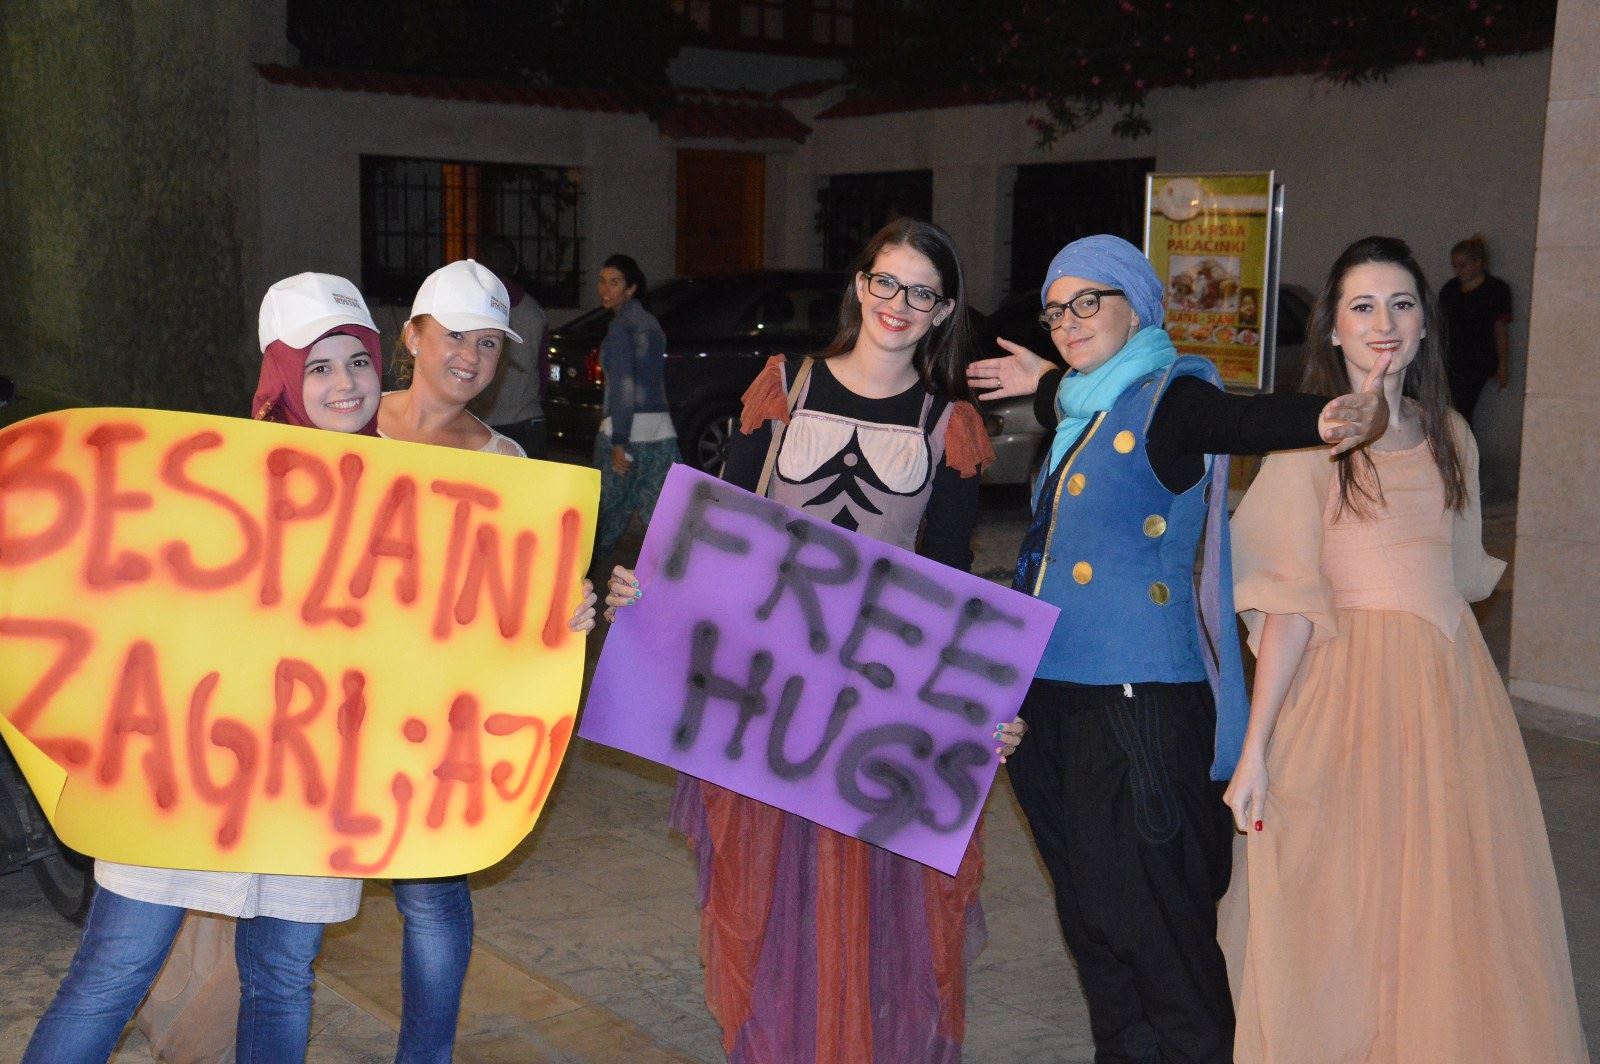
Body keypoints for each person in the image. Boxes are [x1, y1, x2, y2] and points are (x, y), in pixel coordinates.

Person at [964, 234, 1390, 1064]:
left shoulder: (1173, 396)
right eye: (1056, 310)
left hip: (1136, 705)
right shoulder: (1085, 403)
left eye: (1089, 301)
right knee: (1092, 921)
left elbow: (1239, 420)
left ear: (1139, 308)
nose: (1068, 321)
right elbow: (1085, 393)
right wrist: (1048, 383)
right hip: (1047, 701)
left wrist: (1332, 414)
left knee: (1155, 930)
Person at [608, 218, 1024, 1062]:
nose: (898, 303)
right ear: (860, 285)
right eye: (886, 281)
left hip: (876, 708)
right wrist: (648, 597)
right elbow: (721, 537)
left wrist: (984, 706)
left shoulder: (948, 423)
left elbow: (951, 583)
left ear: (944, 311)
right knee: (772, 906)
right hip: (770, 698)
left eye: (922, 292)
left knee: (872, 919)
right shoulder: (784, 386)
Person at [1217, 236, 1586, 1063]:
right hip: (1346, 695)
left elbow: (1453, 574)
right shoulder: (1307, 442)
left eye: (1402, 304)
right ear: (1333, 330)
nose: (1384, 322)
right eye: (1363, 306)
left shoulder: (1450, 432)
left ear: (1424, 325)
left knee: (1450, 897)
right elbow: (1289, 606)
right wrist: (1256, 749)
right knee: (1344, 897)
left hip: (1452, 692)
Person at [21, 273, 380, 1064]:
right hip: (183, 773)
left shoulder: (410, 495)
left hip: (313, 788)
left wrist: (559, 617)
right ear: (282, 375)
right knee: (112, 972)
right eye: (319, 366)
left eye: (358, 361)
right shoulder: (213, 475)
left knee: (282, 978)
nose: (345, 384)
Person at [376, 258, 594, 1061]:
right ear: (412, 337)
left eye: (490, 344)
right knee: (294, 911)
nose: (470, 356)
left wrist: (567, 611)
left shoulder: (506, 465)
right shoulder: (347, 423)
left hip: (433, 723)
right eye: (455, 335)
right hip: (324, 706)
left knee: (432, 900)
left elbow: (525, 602)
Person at [592, 254, 677, 566]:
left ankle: (579, 584)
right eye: (602, 281)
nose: (605, 289)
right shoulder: (651, 324)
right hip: (660, 434)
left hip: (624, 433)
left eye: (614, 283)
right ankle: (677, 581)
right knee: (667, 518)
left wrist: (619, 442)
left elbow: (623, 388)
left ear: (630, 289)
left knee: (604, 520)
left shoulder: (620, 328)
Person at [471, 236, 550, 459]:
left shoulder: (474, 308)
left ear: (481, 267)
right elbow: (543, 369)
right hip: (528, 420)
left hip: (483, 423)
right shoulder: (535, 311)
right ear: (515, 267)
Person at [1438, 233, 1513, 423]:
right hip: (1452, 359)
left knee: (1461, 410)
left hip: (1478, 361)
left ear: (1478, 263)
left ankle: (1462, 442)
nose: (1457, 271)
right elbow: (1441, 326)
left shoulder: (1496, 290)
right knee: (1449, 410)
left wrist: (1503, 365)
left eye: (1462, 266)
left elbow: (1500, 330)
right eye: (1455, 266)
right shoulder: (1450, 289)